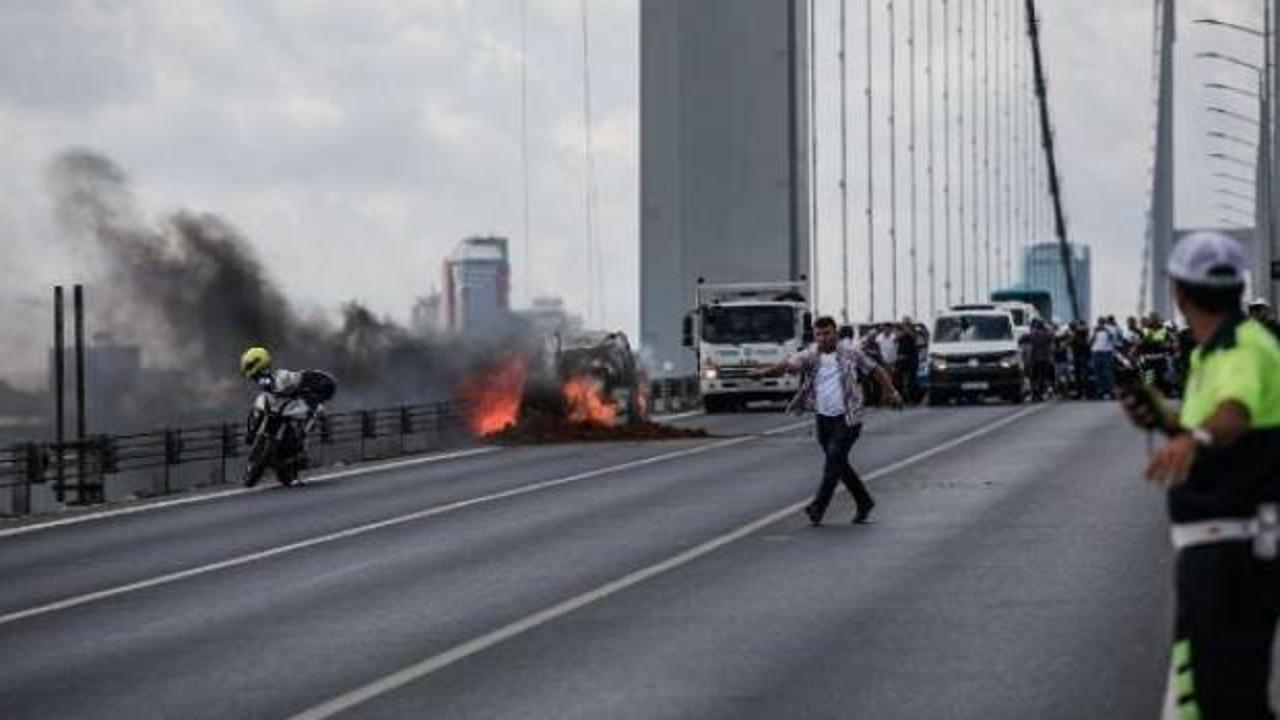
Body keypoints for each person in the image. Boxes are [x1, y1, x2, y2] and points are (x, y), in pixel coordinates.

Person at [1121, 231, 1280, 720]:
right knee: (1215, 694)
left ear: (1179, 293)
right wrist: (1166, 422)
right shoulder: (1207, 351)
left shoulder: (1241, 347)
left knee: (1227, 698)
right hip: (1217, 545)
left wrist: (1194, 440)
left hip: (1233, 545)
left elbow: (1234, 412)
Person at [751, 316, 903, 526]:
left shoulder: (851, 353)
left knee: (833, 462)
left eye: (827, 333)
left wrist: (891, 392)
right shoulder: (810, 355)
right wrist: (763, 373)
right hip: (823, 419)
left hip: (848, 418)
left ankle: (818, 507)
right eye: (819, 334)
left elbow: (876, 371)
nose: (823, 338)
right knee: (838, 465)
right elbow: (788, 365)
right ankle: (864, 501)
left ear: (836, 333)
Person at [1023, 319, 1056, 401]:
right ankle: (1040, 393)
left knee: (1034, 377)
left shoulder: (1032, 335)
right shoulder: (1046, 335)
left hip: (1034, 359)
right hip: (1045, 359)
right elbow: (1053, 339)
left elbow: (1022, 339)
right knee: (1042, 377)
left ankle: (1035, 393)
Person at [1090, 318, 1117, 399]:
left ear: (1104, 322)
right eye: (1099, 322)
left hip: (1106, 352)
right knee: (1098, 372)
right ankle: (1100, 391)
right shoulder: (1095, 329)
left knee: (1108, 373)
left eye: (1102, 322)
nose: (1101, 324)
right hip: (1096, 352)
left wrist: (1106, 330)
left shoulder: (1110, 329)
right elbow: (1091, 341)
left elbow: (1112, 338)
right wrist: (1095, 332)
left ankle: (1111, 391)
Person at [895, 317, 920, 403]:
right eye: (905, 323)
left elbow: (915, 338)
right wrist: (903, 332)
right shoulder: (900, 331)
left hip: (911, 358)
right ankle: (902, 397)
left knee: (912, 380)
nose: (905, 325)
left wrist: (908, 331)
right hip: (901, 358)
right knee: (899, 379)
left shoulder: (914, 331)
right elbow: (895, 339)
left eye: (907, 324)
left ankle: (913, 397)